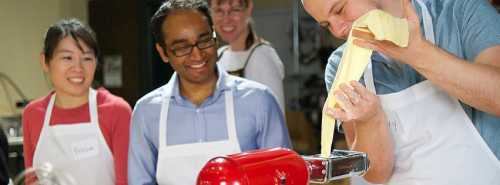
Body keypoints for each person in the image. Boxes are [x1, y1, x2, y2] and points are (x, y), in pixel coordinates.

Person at [302, 0, 500, 184]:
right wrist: (369, 122)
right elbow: (375, 174)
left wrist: (418, 54)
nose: (337, 31)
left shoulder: (462, 12)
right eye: (327, 25)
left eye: (339, 10)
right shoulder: (341, 67)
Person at [127, 0, 291, 184]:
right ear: (163, 52)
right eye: (182, 47)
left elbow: (284, 176)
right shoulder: (146, 112)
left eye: (204, 40)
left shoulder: (259, 101)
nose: (197, 55)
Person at [22, 19, 131, 185]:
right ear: (45, 62)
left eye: (87, 58)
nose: (78, 68)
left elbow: (126, 181)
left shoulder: (116, 111)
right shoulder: (33, 113)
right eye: (67, 58)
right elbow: (31, 180)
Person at [208, 0, 286, 112]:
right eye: (219, 10)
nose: (226, 19)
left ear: (249, 8)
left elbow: (276, 120)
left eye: (234, 10)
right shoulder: (219, 56)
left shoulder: (261, 56)